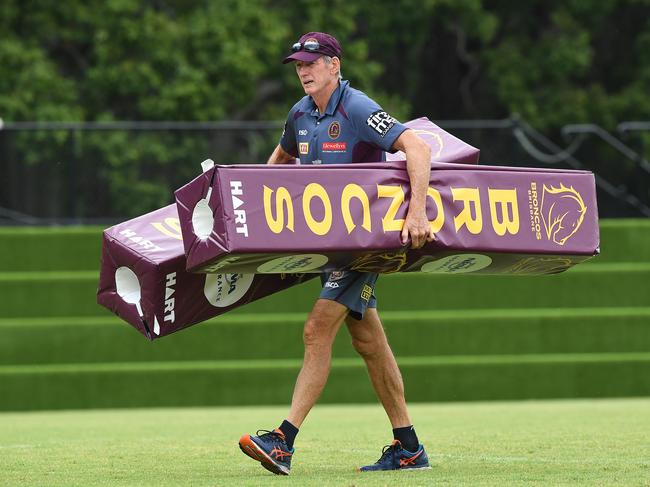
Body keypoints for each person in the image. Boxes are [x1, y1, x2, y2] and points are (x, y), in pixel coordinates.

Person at [238, 32, 434, 475]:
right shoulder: (299, 113)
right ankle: (408, 447)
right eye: (298, 65)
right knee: (367, 341)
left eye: (312, 63)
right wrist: (256, 208)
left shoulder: (357, 107)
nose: (303, 71)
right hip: (331, 247)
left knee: (316, 329)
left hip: (364, 247)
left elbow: (417, 147)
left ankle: (283, 441)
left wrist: (417, 213)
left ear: (334, 66)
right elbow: (282, 159)